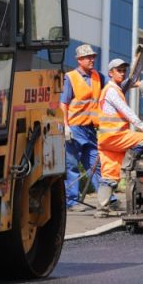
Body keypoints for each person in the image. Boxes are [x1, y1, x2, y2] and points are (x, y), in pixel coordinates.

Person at [97, 58, 143, 218]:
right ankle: (127, 163)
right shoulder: (111, 91)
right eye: (118, 70)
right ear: (110, 73)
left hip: (106, 140)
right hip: (114, 136)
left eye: (123, 70)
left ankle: (101, 209)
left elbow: (131, 82)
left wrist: (138, 83)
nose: (122, 73)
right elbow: (127, 112)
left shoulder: (113, 89)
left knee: (109, 174)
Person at [59, 44, 102, 211]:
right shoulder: (70, 78)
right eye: (88, 57)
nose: (92, 60)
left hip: (89, 128)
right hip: (74, 128)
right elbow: (63, 103)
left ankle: (107, 198)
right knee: (71, 165)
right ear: (79, 60)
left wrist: (134, 82)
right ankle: (71, 202)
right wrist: (66, 126)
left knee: (95, 163)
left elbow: (115, 86)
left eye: (93, 57)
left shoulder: (97, 77)